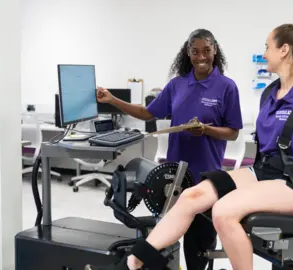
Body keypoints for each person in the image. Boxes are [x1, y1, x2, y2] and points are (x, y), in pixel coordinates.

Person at [115, 23, 293, 270]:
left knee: (223, 211)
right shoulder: (271, 93)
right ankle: (134, 261)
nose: (264, 53)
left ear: (284, 50)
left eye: (267, 47)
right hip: (263, 171)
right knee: (191, 196)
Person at [96, 29, 243, 270]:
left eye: (207, 50)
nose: (201, 57)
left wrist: (206, 130)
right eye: (195, 52)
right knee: (163, 244)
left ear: (215, 50)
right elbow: (146, 113)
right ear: (188, 53)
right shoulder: (177, 85)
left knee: (198, 249)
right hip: (173, 180)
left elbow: (233, 132)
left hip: (205, 180)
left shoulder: (227, 87)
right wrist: (112, 99)